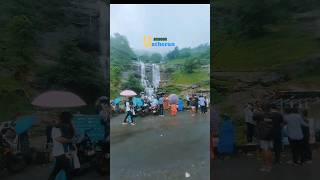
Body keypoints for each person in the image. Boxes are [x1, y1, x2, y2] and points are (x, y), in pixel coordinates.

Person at [48, 112, 74, 180]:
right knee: (69, 170)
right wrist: (71, 140)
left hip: (61, 153)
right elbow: (60, 139)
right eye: (70, 119)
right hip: (60, 153)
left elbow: (70, 134)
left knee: (57, 170)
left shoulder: (64, 126)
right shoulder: (56, 128)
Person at [253, 105, 274, 172]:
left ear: (262, 109)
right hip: (270, 134)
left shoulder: (260, 114)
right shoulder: (272, 115)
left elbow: (254, 117)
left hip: (263, 134)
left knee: (264, 150)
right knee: (269, 149)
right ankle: (270, 165)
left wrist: (257, 110)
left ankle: (266, 166)